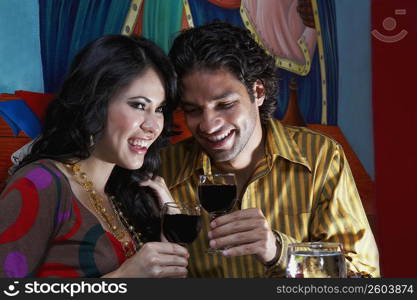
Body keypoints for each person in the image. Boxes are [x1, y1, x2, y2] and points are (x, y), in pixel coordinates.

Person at [160, 22, 380, 277]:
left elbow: (364, 277)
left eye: (225, 104)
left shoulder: (320, 157)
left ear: (259, 91)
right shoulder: (165, 169)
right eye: (193, 110)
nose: (209, 125)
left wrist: (280, 252)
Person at [0, 35, 189, 278]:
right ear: (95, 102)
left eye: (160, 109)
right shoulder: (40, 182)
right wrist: (122, 278)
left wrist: (170, 236)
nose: (153, 125)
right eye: (139, 105)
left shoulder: (124, 194)